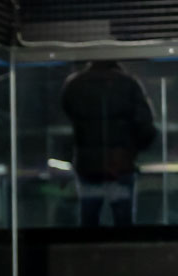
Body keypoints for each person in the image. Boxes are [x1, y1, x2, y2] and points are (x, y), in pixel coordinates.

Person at [61, 61, 156, 227]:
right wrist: (132, 151)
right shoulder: (128, 84)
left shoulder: (75, 84)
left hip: (88, 165)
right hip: (121, 164)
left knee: (88, 221)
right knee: (123, 223)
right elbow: (145, 125)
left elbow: (68, 114)